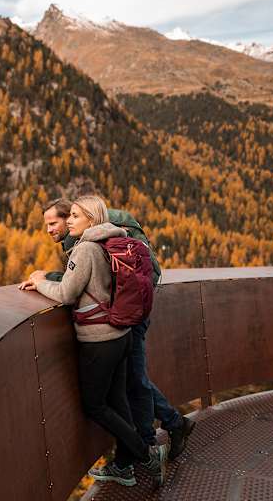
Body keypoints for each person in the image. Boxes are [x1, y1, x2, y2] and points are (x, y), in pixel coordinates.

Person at [20, 195, 168, 488]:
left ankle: (148, 455)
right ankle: (124, 467)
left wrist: (39, 282)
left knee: (94, 406)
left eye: (75, 216)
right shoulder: (110, 240)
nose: (69, 221)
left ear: (90, 218)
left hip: (99, 341)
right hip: (121, 335)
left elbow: (66, 293)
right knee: (117, 401)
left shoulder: (86, 248)